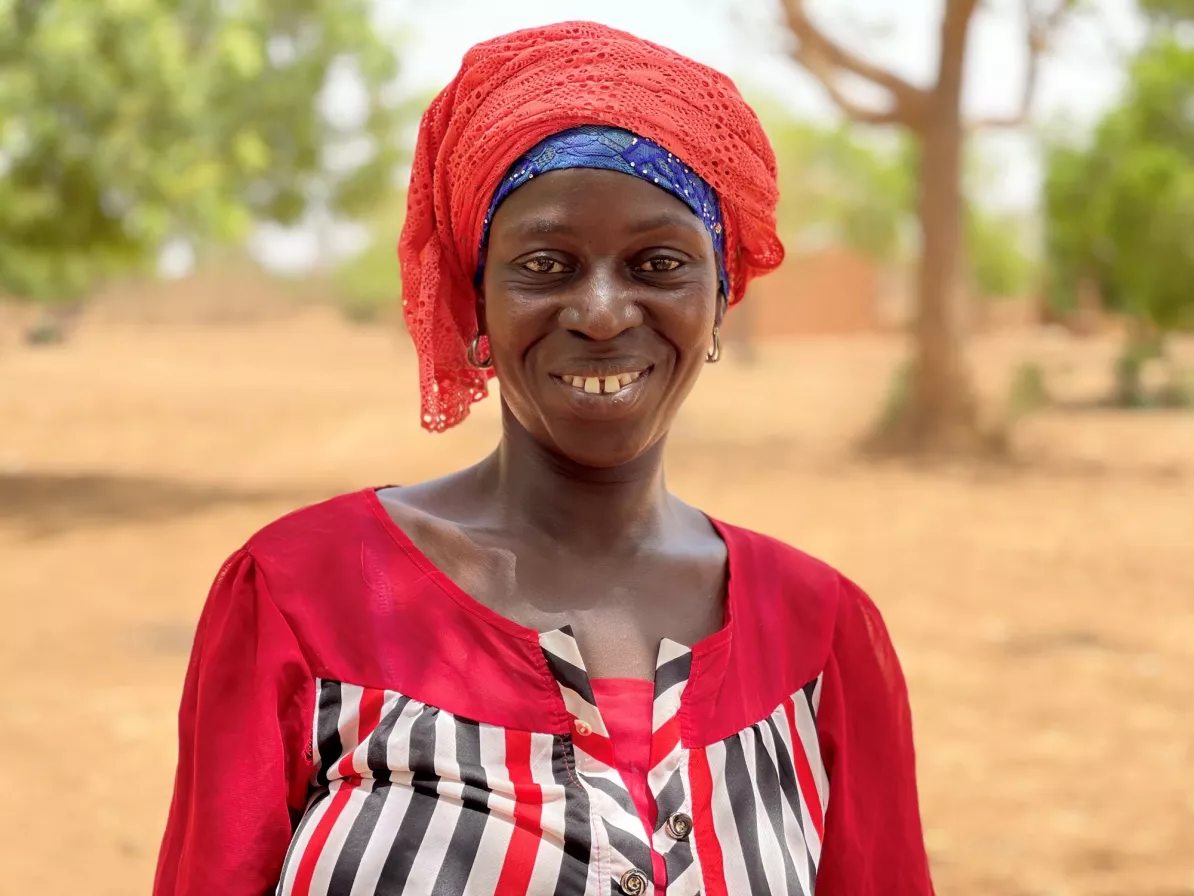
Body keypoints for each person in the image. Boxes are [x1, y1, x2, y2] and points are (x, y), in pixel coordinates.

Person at [154, 20, 935, 896]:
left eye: (659, 262)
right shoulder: (305, 594)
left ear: (720, 299)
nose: (602, 312)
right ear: (476, 301)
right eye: (547, 263)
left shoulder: (820, 636)